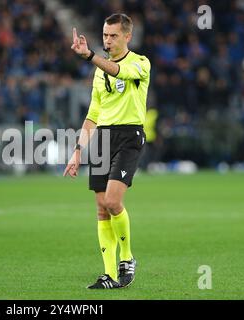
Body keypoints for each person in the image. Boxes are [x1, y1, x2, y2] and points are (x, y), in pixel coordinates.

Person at [64, 14, 151, 289]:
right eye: (104, 35)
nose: (108, 40)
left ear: (127, 36)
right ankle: (111, 275)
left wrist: (89, 55)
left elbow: (119, 71)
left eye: (113, 36)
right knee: (102, 209)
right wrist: (78, 151)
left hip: (129, 135)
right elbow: (93, 115)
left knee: (114, 201)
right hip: (102, 138)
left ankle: (127, 258)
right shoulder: (99, 71)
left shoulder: (140, 63)